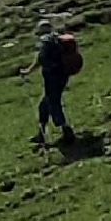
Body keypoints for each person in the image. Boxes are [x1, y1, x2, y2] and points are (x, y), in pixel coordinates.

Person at [35, 20, 83, 150]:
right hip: (63, 76)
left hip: (52, 77)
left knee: (53, 103)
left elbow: (40, 59)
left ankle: (66, 131)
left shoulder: (46, 41)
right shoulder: (58, 39)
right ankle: (41, 133)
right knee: (45, 104)